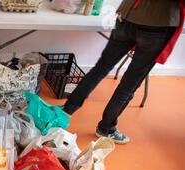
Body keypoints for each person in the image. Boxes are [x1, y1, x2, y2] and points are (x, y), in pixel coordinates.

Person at [63, 0, 185, 144]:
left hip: (128, 15)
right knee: (129, 84)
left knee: (101, 68)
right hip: (158, 23)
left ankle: (68, 109)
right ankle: (106, 128)